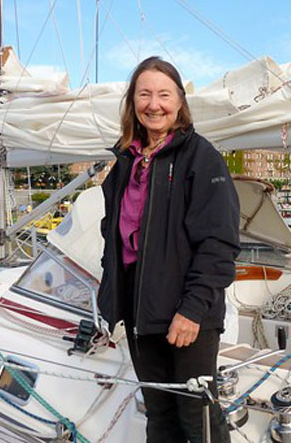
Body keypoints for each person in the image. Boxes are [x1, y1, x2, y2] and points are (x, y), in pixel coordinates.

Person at [98, 56, 240, 442]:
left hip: (187, 318)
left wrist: (192, 310)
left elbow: (219, 242)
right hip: (141, 316)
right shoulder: (127, 161)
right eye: (144, 94)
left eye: (164, 94)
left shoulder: (200, 157)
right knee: (159, 415)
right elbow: (113, 234)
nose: (153, 104)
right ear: (133, 102)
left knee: (198, 418)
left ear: (179, 102)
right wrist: (111, 300)